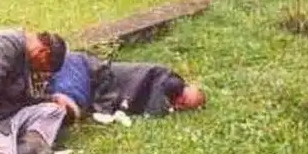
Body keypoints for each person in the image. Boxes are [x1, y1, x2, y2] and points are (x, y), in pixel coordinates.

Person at [45, 51, 206, 119]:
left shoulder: (162, 96)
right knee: (69, 98)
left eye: (183, 107)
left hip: (93, 86)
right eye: (183, 99)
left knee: (61, 103)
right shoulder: (165, 79)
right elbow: (154, 107)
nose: (179, 104)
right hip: (90, 71)